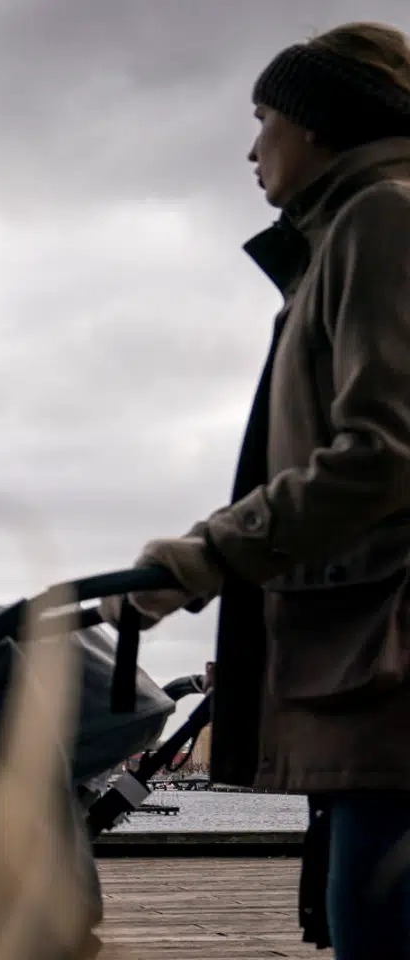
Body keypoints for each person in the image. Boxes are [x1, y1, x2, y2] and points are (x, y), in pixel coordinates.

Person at [98, 20, 410, 958]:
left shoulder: (380, 218)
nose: (250, 146)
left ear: (320, 125)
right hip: (365, 661)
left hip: (384, 665)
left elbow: (385, 452)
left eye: (264, 118)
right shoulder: (350, 235)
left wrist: (198, 558)